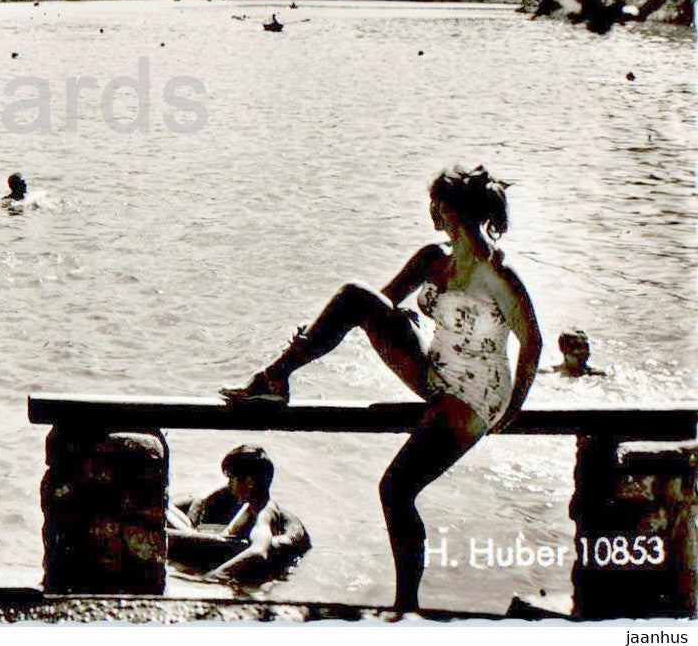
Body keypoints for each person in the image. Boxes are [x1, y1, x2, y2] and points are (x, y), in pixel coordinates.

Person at [220, 166, 541, 611]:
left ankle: (405, 606)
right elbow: (379, 301)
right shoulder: (432, 258)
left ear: (456, 211)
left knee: (396, 490)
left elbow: (533, 342)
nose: (430, 212)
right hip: (435, 370)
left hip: (475, 396)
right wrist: (322, 330)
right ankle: (274, 379)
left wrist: (514, 407)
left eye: (437, 204)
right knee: (352, 295)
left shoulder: (498, 274)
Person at [167, 445, 311, 582]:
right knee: (164, 506)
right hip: (218, 538)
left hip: (221, 550)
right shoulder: (253, 503)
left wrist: (214, 575)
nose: (228, 485)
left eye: (231, 479)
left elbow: (259, 551)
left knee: (165, 514)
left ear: (249, 482)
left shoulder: (265, 512)